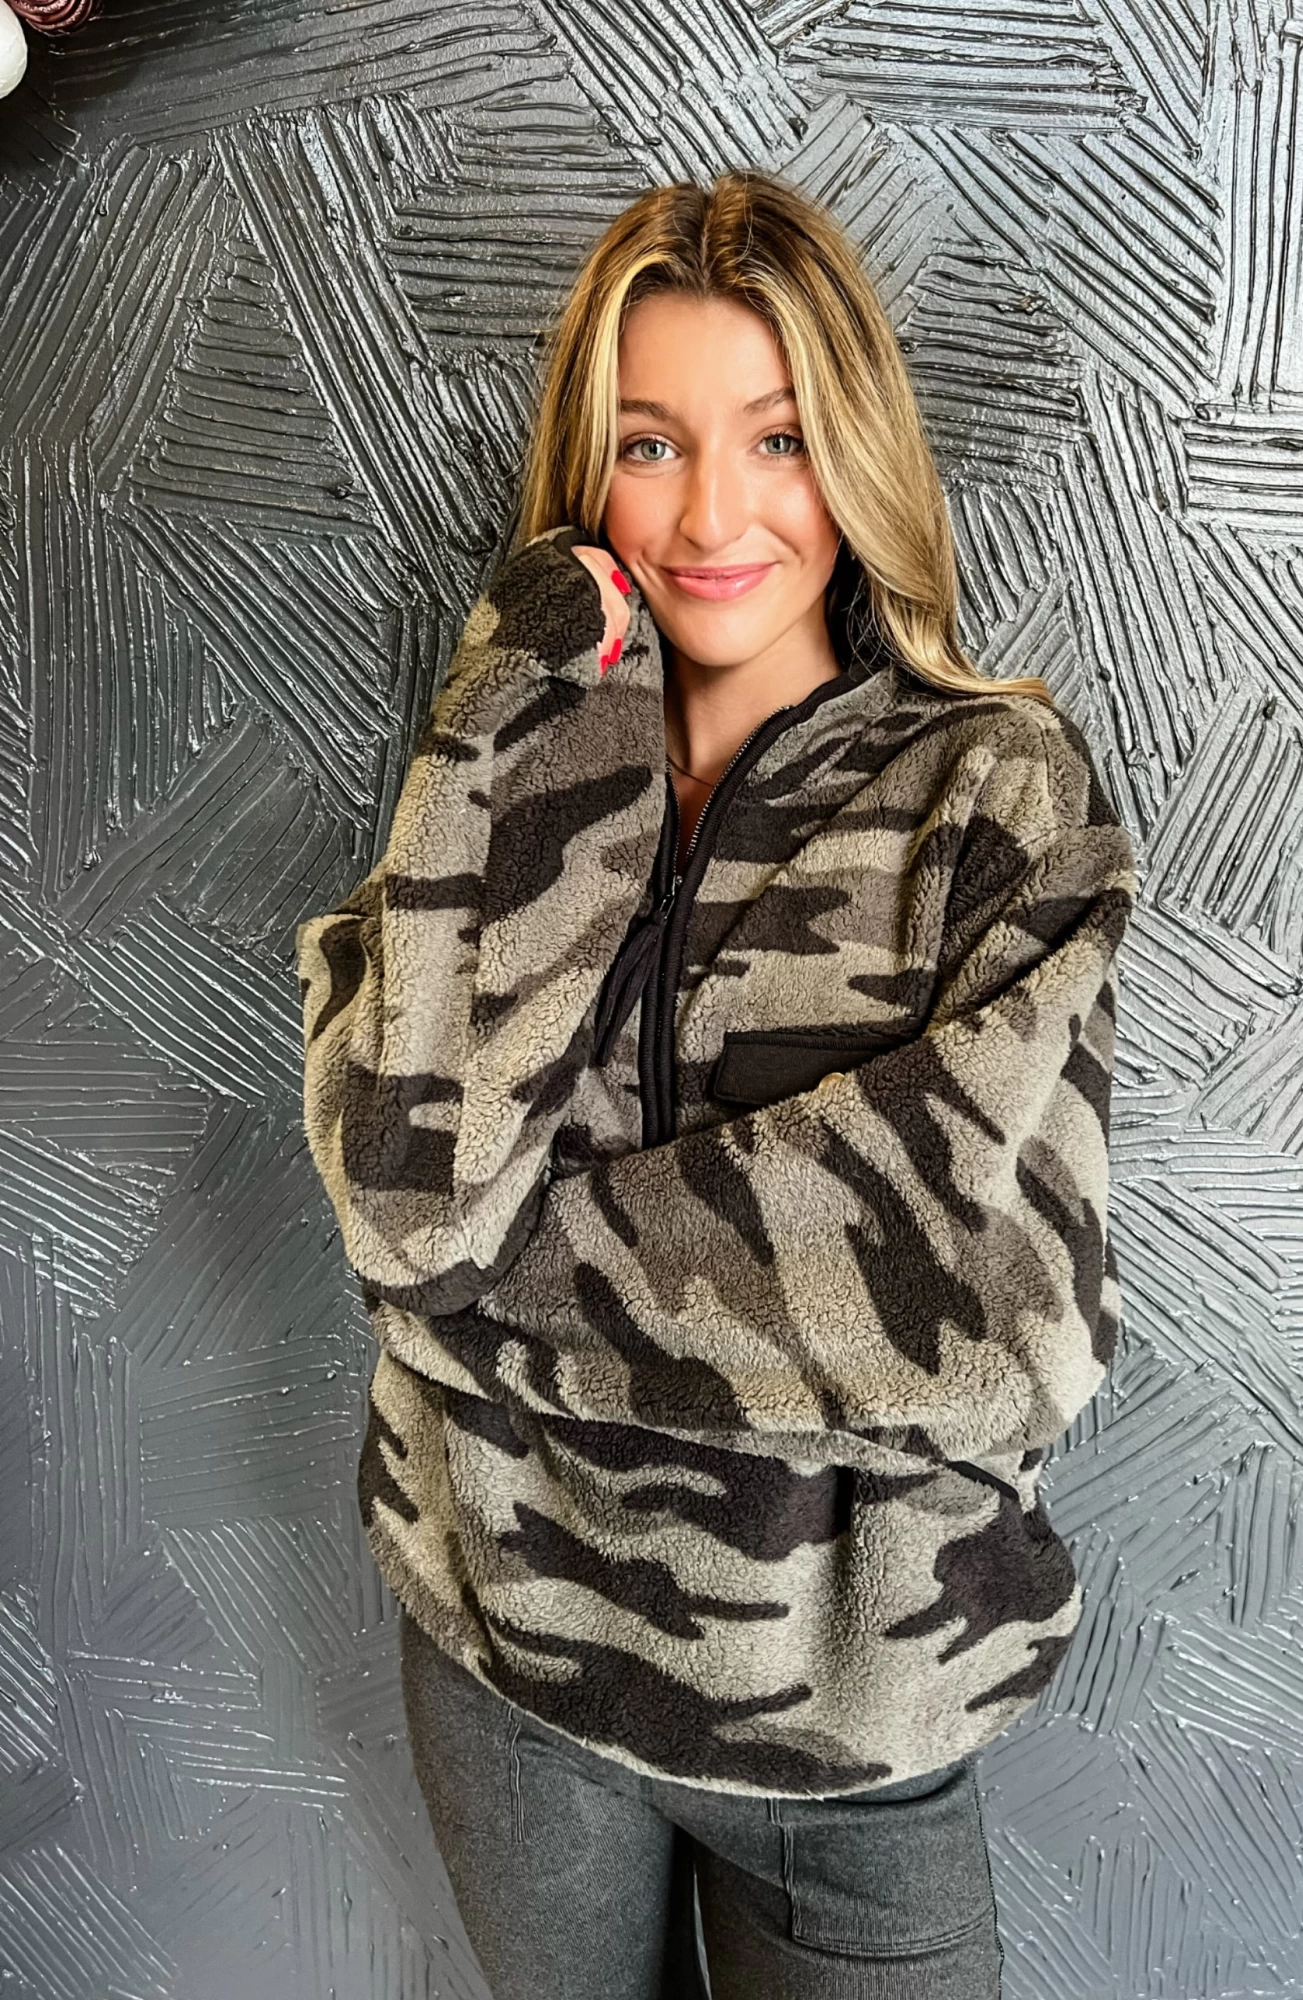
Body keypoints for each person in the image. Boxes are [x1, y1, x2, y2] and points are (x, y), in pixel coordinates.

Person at [296, 167, 1137, 1998]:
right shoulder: (516, 757)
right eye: (649, 444)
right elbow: (404, 1193)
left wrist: (482, 1294)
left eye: (777, 438)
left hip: (854, 1735)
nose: (713, 514)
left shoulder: (994, 795)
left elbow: (990, 1316)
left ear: (855, 452)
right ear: (586, 477)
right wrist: (523, 692)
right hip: (506, 1660)